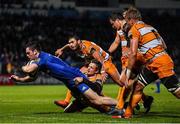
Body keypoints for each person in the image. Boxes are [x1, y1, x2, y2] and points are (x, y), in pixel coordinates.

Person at [10, 41, 119, 112]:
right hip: (69, 82)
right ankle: (113, 108)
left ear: (35, 52)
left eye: (28, 53)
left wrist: (20, 66)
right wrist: (19, 79)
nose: (27, 55)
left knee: (97, 100)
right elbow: (32, 77)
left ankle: (123, 105)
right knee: (86, 103)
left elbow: (28, 69)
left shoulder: (41, 59)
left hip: (74, 77)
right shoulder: (40, 60)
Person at [118, 7, 180, 118]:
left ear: (131, 20)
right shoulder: (151, 28)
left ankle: (127, 112)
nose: (126, 24)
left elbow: (133, 53)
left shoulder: (134, 29)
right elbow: (164, 46)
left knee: (176, 91)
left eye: (127, 21)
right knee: (138, 87)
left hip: (159, 63)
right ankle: (127, 114)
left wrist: (127, 75)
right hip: (155, 62)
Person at [108, 12, 153, 115]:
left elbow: (135, 42)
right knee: (126, 83)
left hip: (133, 58)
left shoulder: (129, 27)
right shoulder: (120, 30)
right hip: (126, 58)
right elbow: (116, 42)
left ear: (117, 20)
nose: (112, 26)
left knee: (124, 81)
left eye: (112, 23)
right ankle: (143, 99)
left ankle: (121, 107)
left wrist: (133, 54)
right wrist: (108, 53)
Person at [55, 36, 124, 87]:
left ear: (79, 42)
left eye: (72, 42)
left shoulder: (89, 48)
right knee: (76, 75)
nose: (71, 45)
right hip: (92, 63)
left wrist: (103, 72)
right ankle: (66, 101)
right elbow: (68, 45)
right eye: (70, 43)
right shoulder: (76, 45)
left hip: (105, 62)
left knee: (121, 83)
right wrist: (61, 49)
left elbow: (101, 60)